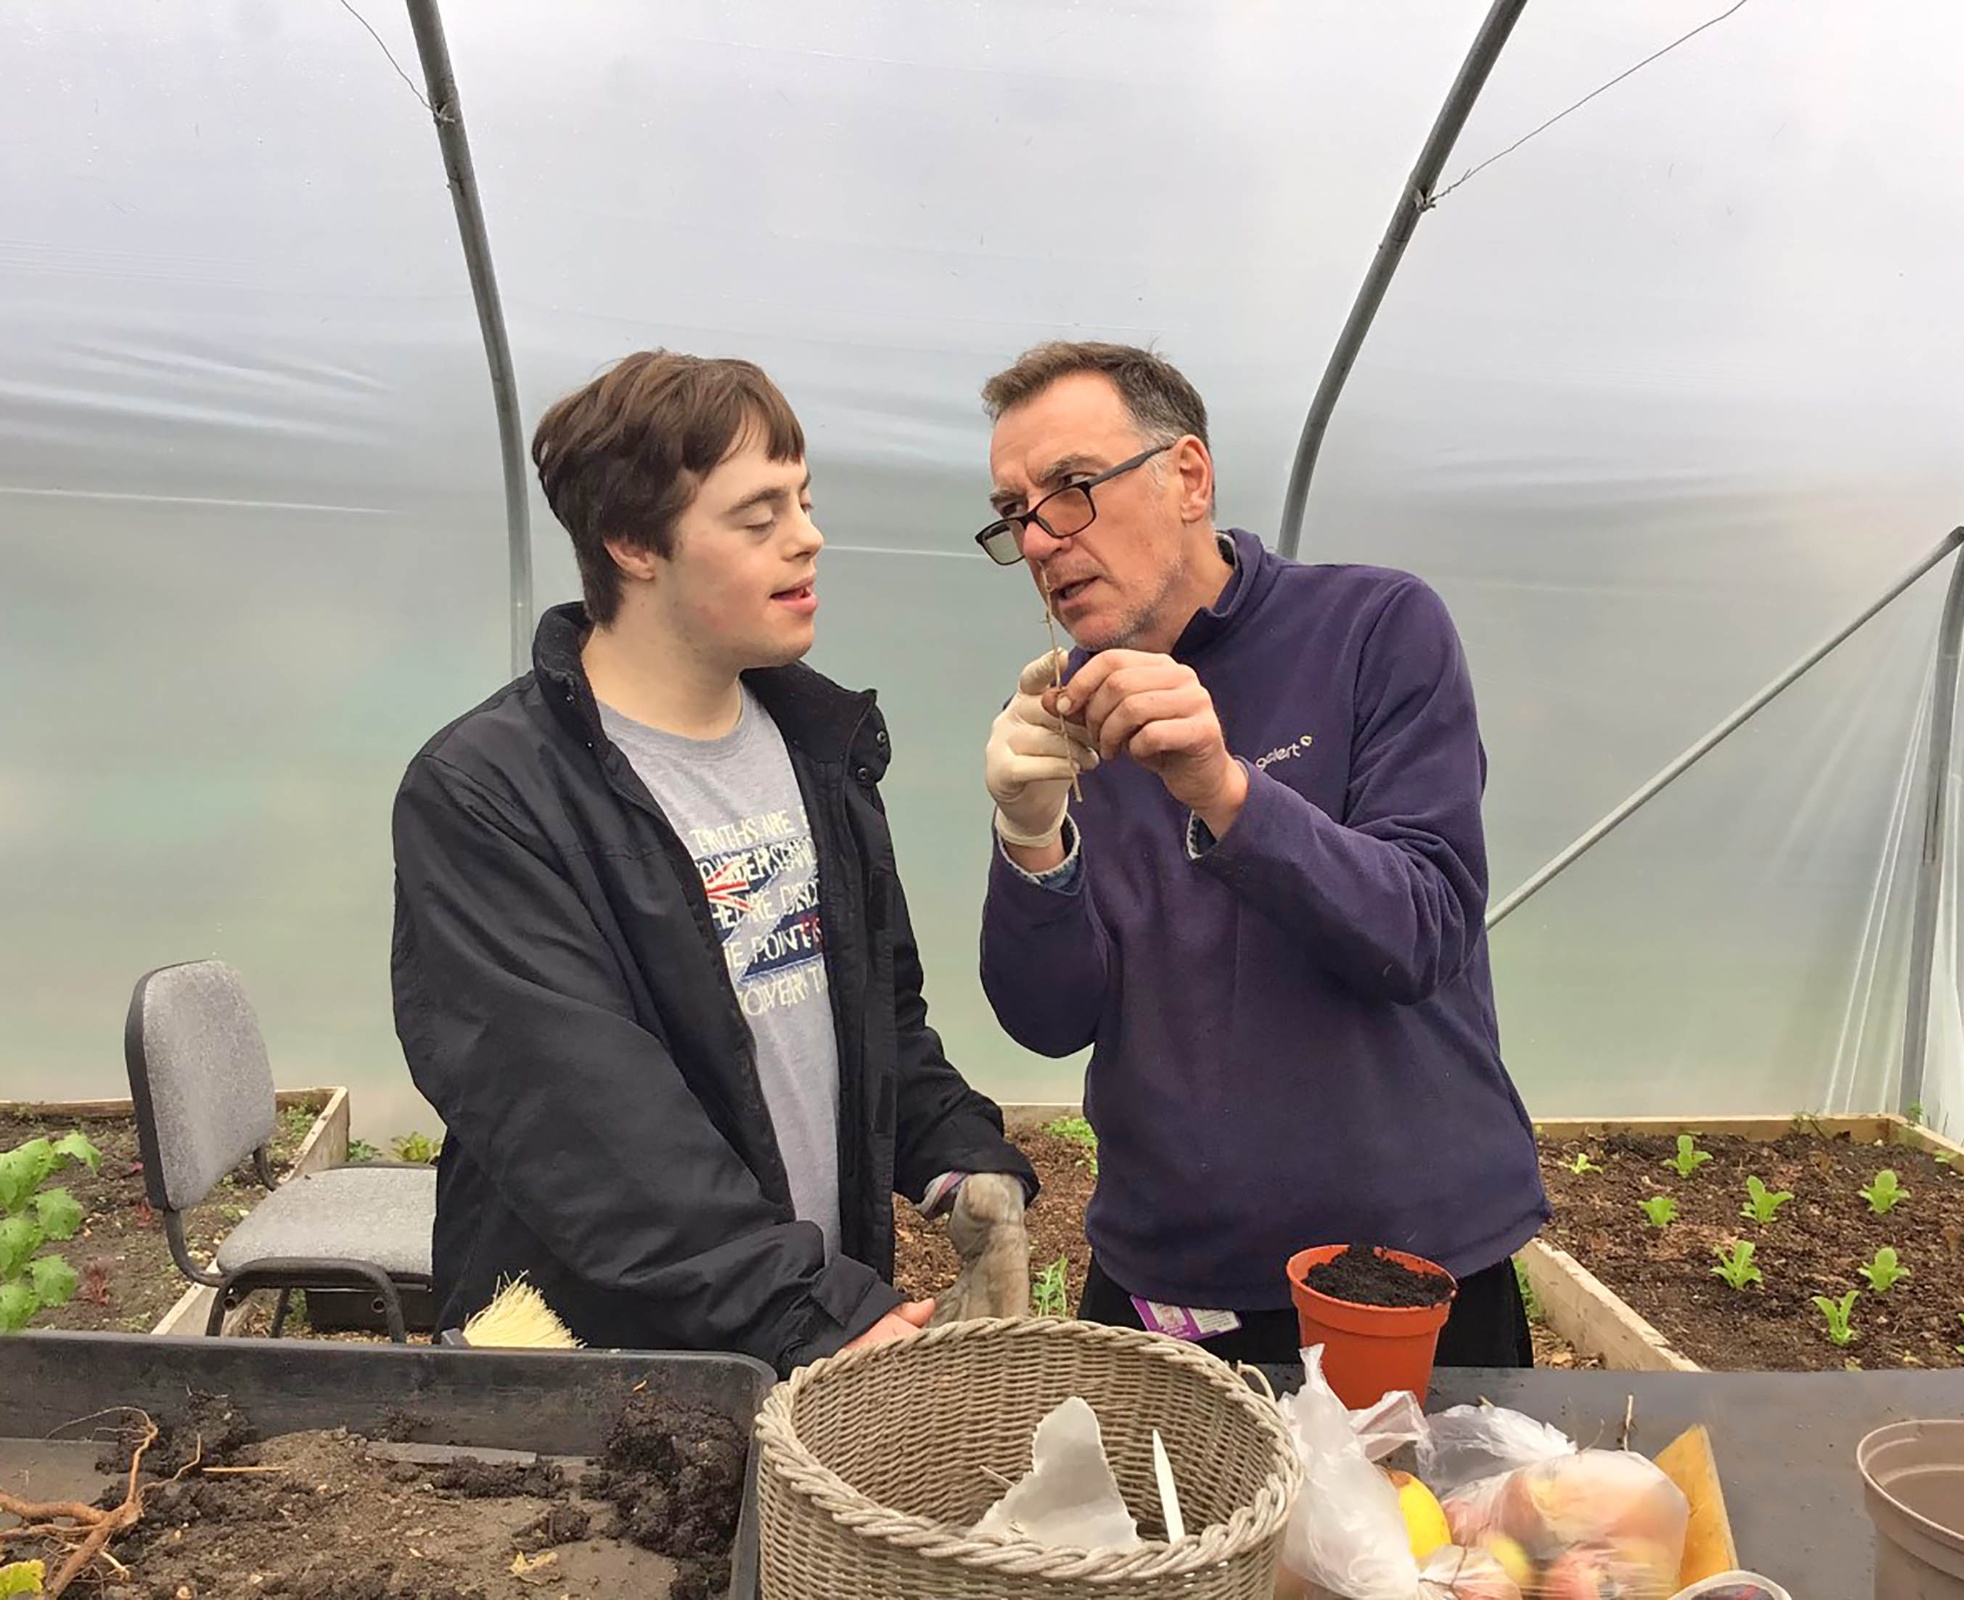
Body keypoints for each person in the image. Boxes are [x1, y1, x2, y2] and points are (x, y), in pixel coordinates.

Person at [391, 350, 1035, 1373]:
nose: (808, 537)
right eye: (758, 516)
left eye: (804, 500)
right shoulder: (489, 794)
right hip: (611, 1365)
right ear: (631, 543)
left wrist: (959, 1158)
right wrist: (809, 1307)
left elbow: (875, 1020)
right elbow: (587, 1123)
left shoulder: (816, 751)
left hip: (787, 1329)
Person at [974, 340, 1547, 1367]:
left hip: (1401, 1279)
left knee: (1426, 1528)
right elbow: (1047, 1018)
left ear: (1186, 476)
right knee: (1162, 1533)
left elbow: (1418, 930)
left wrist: (1223, 789)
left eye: (1070, 490)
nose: (1040, 541)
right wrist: (1028, 836)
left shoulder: (1371, 627)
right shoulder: (1072, 709)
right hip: (1167, 1288)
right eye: (1015, 512)